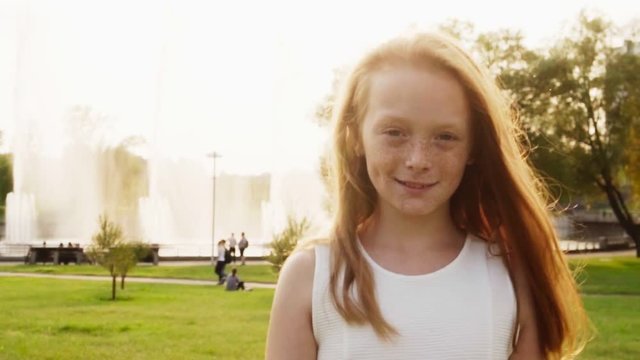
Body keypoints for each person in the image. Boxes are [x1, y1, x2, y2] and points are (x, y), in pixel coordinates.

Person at [266, 33, 591, 359]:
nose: (418, 160)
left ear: (474, 147)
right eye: (394, 132)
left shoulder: (509, 271)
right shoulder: (310, 275)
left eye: (445, 137)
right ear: (354, 136)